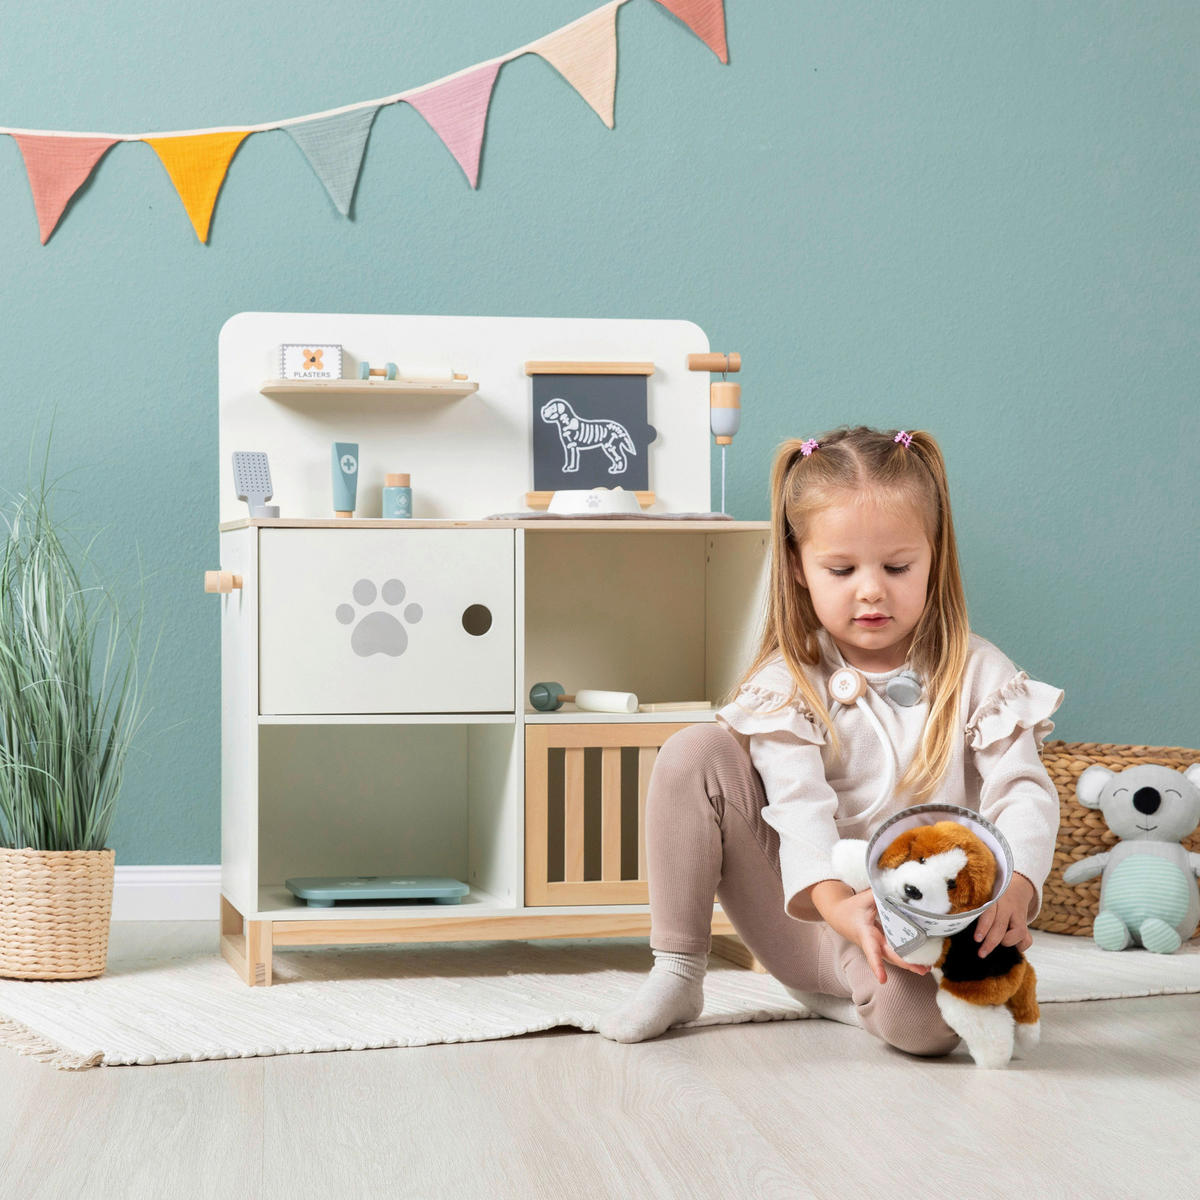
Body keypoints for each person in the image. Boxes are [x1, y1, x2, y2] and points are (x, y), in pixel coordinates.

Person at [596, 426, 1063, 1055]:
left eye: (898, 567)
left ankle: (849, 1002)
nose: (871, 589)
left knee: (928, 1032)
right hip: (812, 916)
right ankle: (678, 975)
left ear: (935, 555)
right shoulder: (787, 682)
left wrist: (1020, 882)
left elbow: (1023, 789)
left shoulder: (980, 674)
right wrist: (839, 906)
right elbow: (798, 806)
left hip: (919, 927)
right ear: (797, 566)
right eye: (840, 569)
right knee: (694, 751)